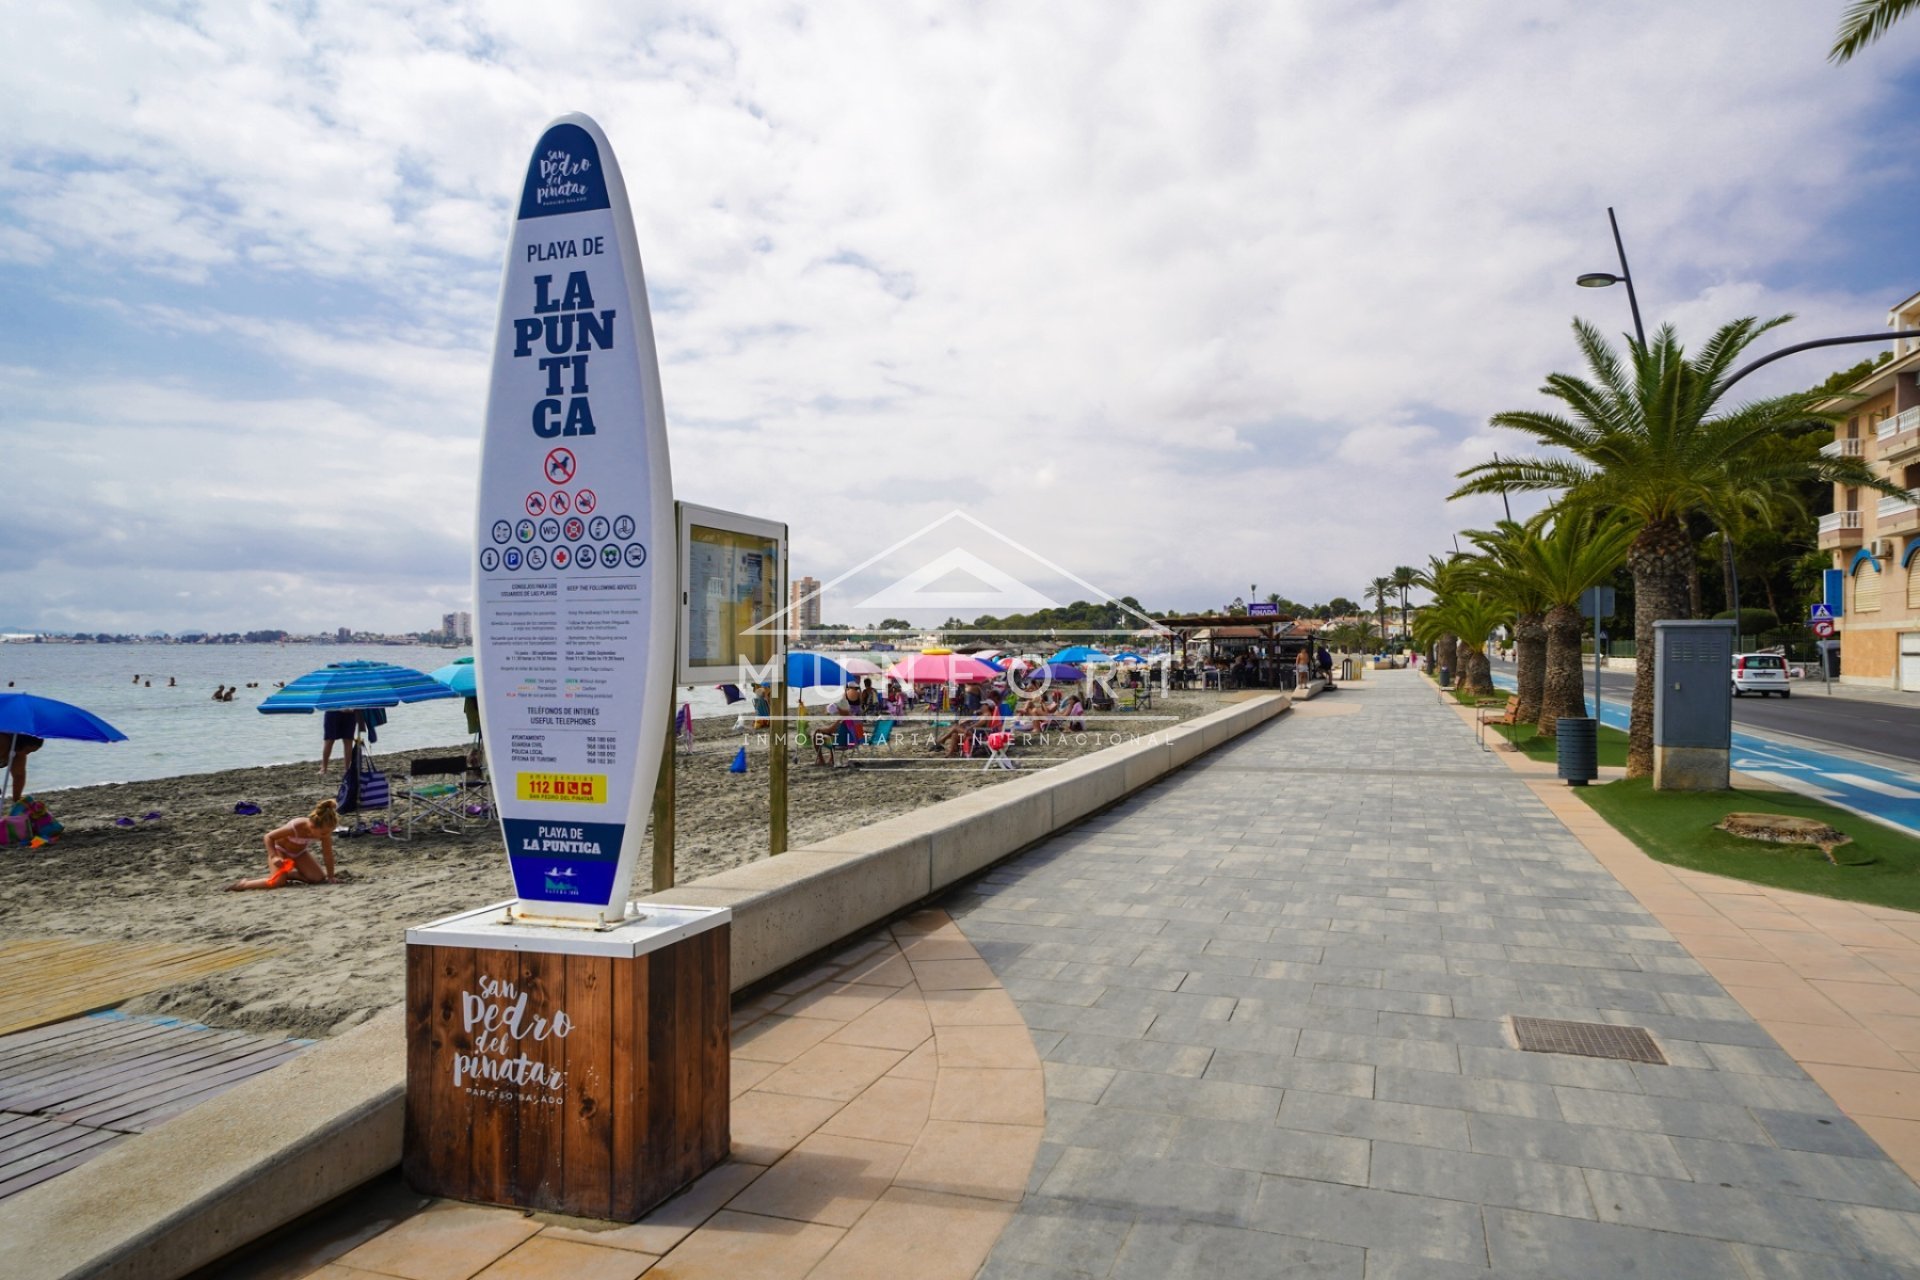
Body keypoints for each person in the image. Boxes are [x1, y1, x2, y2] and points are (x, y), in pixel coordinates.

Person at [227, 800, 339, 891]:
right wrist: (274, 856)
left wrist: (331, 876)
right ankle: (244, 884)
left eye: (329, 832)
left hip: (299, 853)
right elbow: (268, 837)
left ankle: (289, 874)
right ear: (313, 826)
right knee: (277, 882)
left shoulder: (324, 833)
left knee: (318, 878)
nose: (326, 835)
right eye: (324, 833)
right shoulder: (296, 826)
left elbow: (328, 855)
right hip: (280, 850)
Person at [1, 733, 44, 804]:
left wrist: (17, 800)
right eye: (27, 750)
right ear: (22, 742)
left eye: (30, 752)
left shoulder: (19, 752)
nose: (27, 754)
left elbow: (19, 776)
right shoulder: (3, 742)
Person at [321, 709, 358, 774]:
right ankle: (324, 768)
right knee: (329, 740)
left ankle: (347, 769)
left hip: (349, 712)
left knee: (348, 740)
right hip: (334, 710)